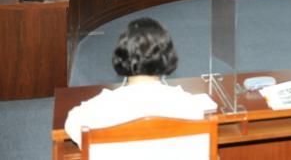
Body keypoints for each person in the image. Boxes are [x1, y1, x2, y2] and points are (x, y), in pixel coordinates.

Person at [64, 17, 209, 147]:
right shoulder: (193, 106)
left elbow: (71, 124)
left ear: (121, 57)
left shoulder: (97, 110)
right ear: (167, 56)